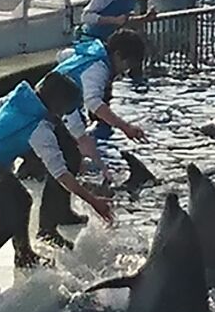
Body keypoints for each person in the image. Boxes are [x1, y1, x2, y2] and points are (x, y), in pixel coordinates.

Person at [0, 74, 114, 296]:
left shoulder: (20, 98)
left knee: (23, 200)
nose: (64, 117)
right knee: (4, 226)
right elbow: (60, 174)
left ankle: (24, 255)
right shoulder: (39, 128)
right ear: (57, 105)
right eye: (66, 111)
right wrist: (94, 201)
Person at [24, 27, 148, 244]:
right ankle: (47, 226)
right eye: (126, 64)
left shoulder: (93, 51)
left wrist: (91, 151)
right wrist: (125, 126)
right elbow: (93, 102)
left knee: (72, 156)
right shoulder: (99, 67)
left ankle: (61, 212)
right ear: (118, 55)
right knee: (63, 162)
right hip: (49, 109)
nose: (125, 71)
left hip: (59, 106)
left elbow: (63, 57)